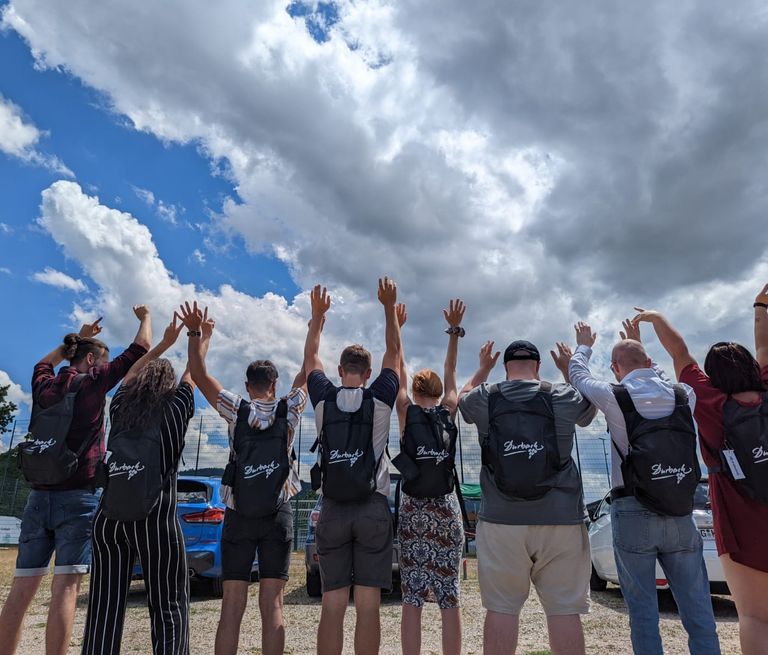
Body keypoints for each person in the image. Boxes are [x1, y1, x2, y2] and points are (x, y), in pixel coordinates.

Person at [0, 308, 150, 655]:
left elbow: (42, 362)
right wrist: (144, 316)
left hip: (38, 496)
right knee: (65, 590)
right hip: (78, 497)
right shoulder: (93, 384)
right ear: (92, 361)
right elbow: (140, 347)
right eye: (101, 362)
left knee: (20, 593)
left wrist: (74, 340)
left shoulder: (44, 385)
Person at [568, 318, 720, 655]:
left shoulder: (614, 396)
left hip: (633, 509)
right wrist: (640, 345)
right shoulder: (685, 395)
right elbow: (661, 377)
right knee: (698, 611)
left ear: (615, 369)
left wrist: (584, 345)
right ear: (650, 363)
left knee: (643, 613)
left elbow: (577, 375)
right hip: (680, 511)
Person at [632, 286, 768, 655]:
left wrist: (656, 317)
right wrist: (759, 308)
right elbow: (764, 347)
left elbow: (679, 353)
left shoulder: (709, 402)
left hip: (741, 519)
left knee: (755, 617)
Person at [180, 302, 308, 655]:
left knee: (232, 607)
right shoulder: (291, 409)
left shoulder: (236, 409)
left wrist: (199, 334)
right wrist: (315, 324)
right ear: (275, 384)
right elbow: (309, 367)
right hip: (277, 514)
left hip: (238, 514)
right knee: (273, 605)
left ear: (247, 385)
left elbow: (199, 372)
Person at [459, 337, 596, 655]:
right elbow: (587, 413)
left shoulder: (485, 398)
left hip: (501, 520)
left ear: (505, 367)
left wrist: (482, 369)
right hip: (561, 518)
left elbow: (460, 399)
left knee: (502, 610)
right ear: (538, 366)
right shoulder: (561, 394)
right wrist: (568, 371)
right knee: (564, 611)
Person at [81, 311, 195, 655]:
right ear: (168, 388)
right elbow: (193, 374)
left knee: (103, 607)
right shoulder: (174, 410)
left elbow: (129, 374)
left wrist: (163, 344)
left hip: (109, 519)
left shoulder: (118, 408)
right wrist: (196, 336)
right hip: (156, 520)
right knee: (168, 606)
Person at [304, 279, 401, 655]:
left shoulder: (323, 400)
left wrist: (317, 317)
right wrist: (389, 307)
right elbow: (395, 350)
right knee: (368, 606)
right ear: (370, 369)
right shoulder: (380, 399)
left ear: (341, 368)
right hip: (372, 506)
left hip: (332, 508)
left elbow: (311, 359)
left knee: (332, 604)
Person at [394, 299, 466, 655]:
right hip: (446, 508)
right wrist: (453, 331)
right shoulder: (449, 410)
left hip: (413, 511)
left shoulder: (406, 412)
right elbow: (451, 367)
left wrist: (398, 326)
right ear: (437, 392)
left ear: (416, 390)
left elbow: (398, 365)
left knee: (412, 595)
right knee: (449, 595)